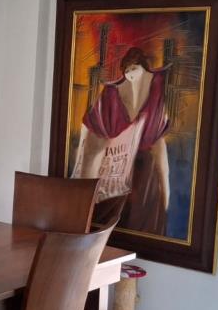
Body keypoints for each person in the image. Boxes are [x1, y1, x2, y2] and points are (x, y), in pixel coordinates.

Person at [73, 46, 170, 236]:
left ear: (143, 67)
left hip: (145, 182)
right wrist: (86, 202)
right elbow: (91, 152)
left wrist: (166, 193)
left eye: (134, 68)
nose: (130, 74)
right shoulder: (111, 98)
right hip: (115, 180)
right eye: (127, 70)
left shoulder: (156, 98)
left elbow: (160, 151)